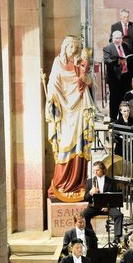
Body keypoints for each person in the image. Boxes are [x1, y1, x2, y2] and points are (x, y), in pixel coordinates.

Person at [45, 35, 96, 201]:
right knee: (65, 145)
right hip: (64, 110)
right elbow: (53, 83)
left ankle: (78, 184)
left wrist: (84, 76)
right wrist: (52, 96)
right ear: (64, 48)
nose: (74, 50)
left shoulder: (81, 63)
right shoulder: (57, 63)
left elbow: (90, 81)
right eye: (71, 47)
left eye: (76, 47)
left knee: (80, 145)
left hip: (80, 107)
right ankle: (61, 183)